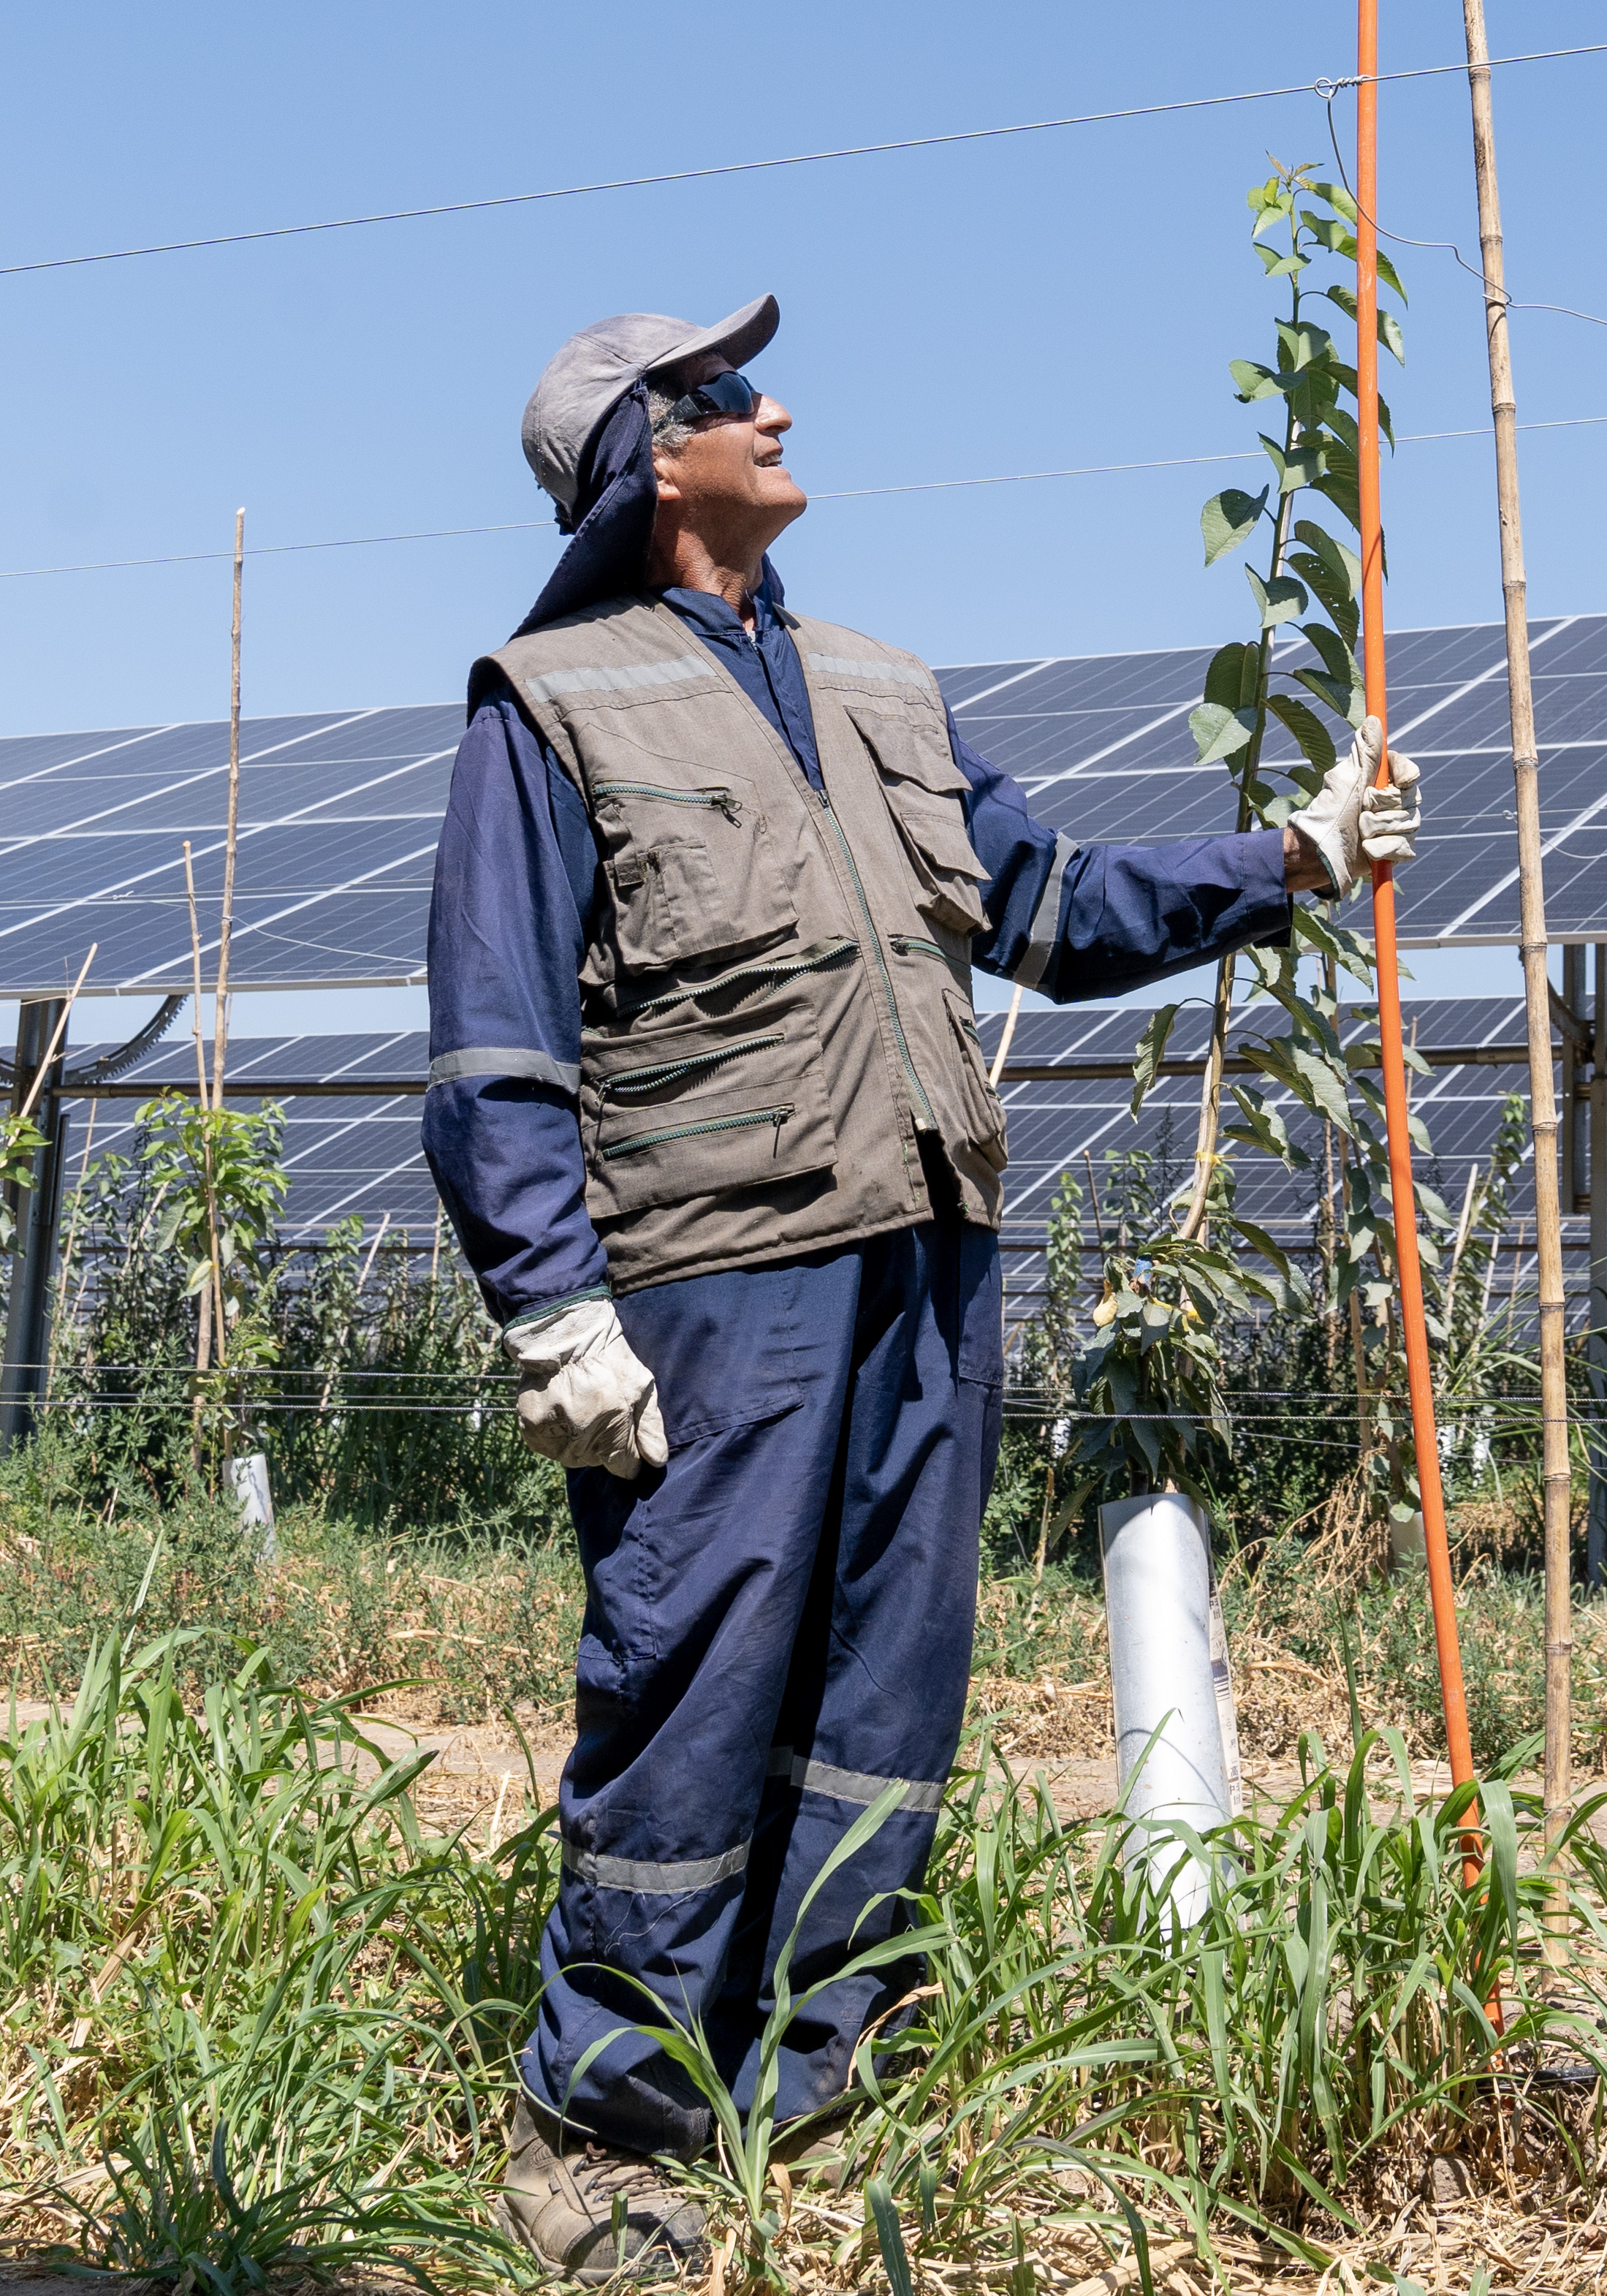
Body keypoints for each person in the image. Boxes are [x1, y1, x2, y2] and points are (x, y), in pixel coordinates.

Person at [428, 303, 1416, 2272]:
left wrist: (1285, 860)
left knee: (889, 1676)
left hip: (928, 1252)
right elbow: (496, 1040)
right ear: (643, 455)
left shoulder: (882, 684)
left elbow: (1046, 912)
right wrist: (550, 1301)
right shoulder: (552, 705)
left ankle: (815, 2073)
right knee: (694, 1679)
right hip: (715, 1278)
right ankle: (613, 2130)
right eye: (720, 396)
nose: (771, 407)